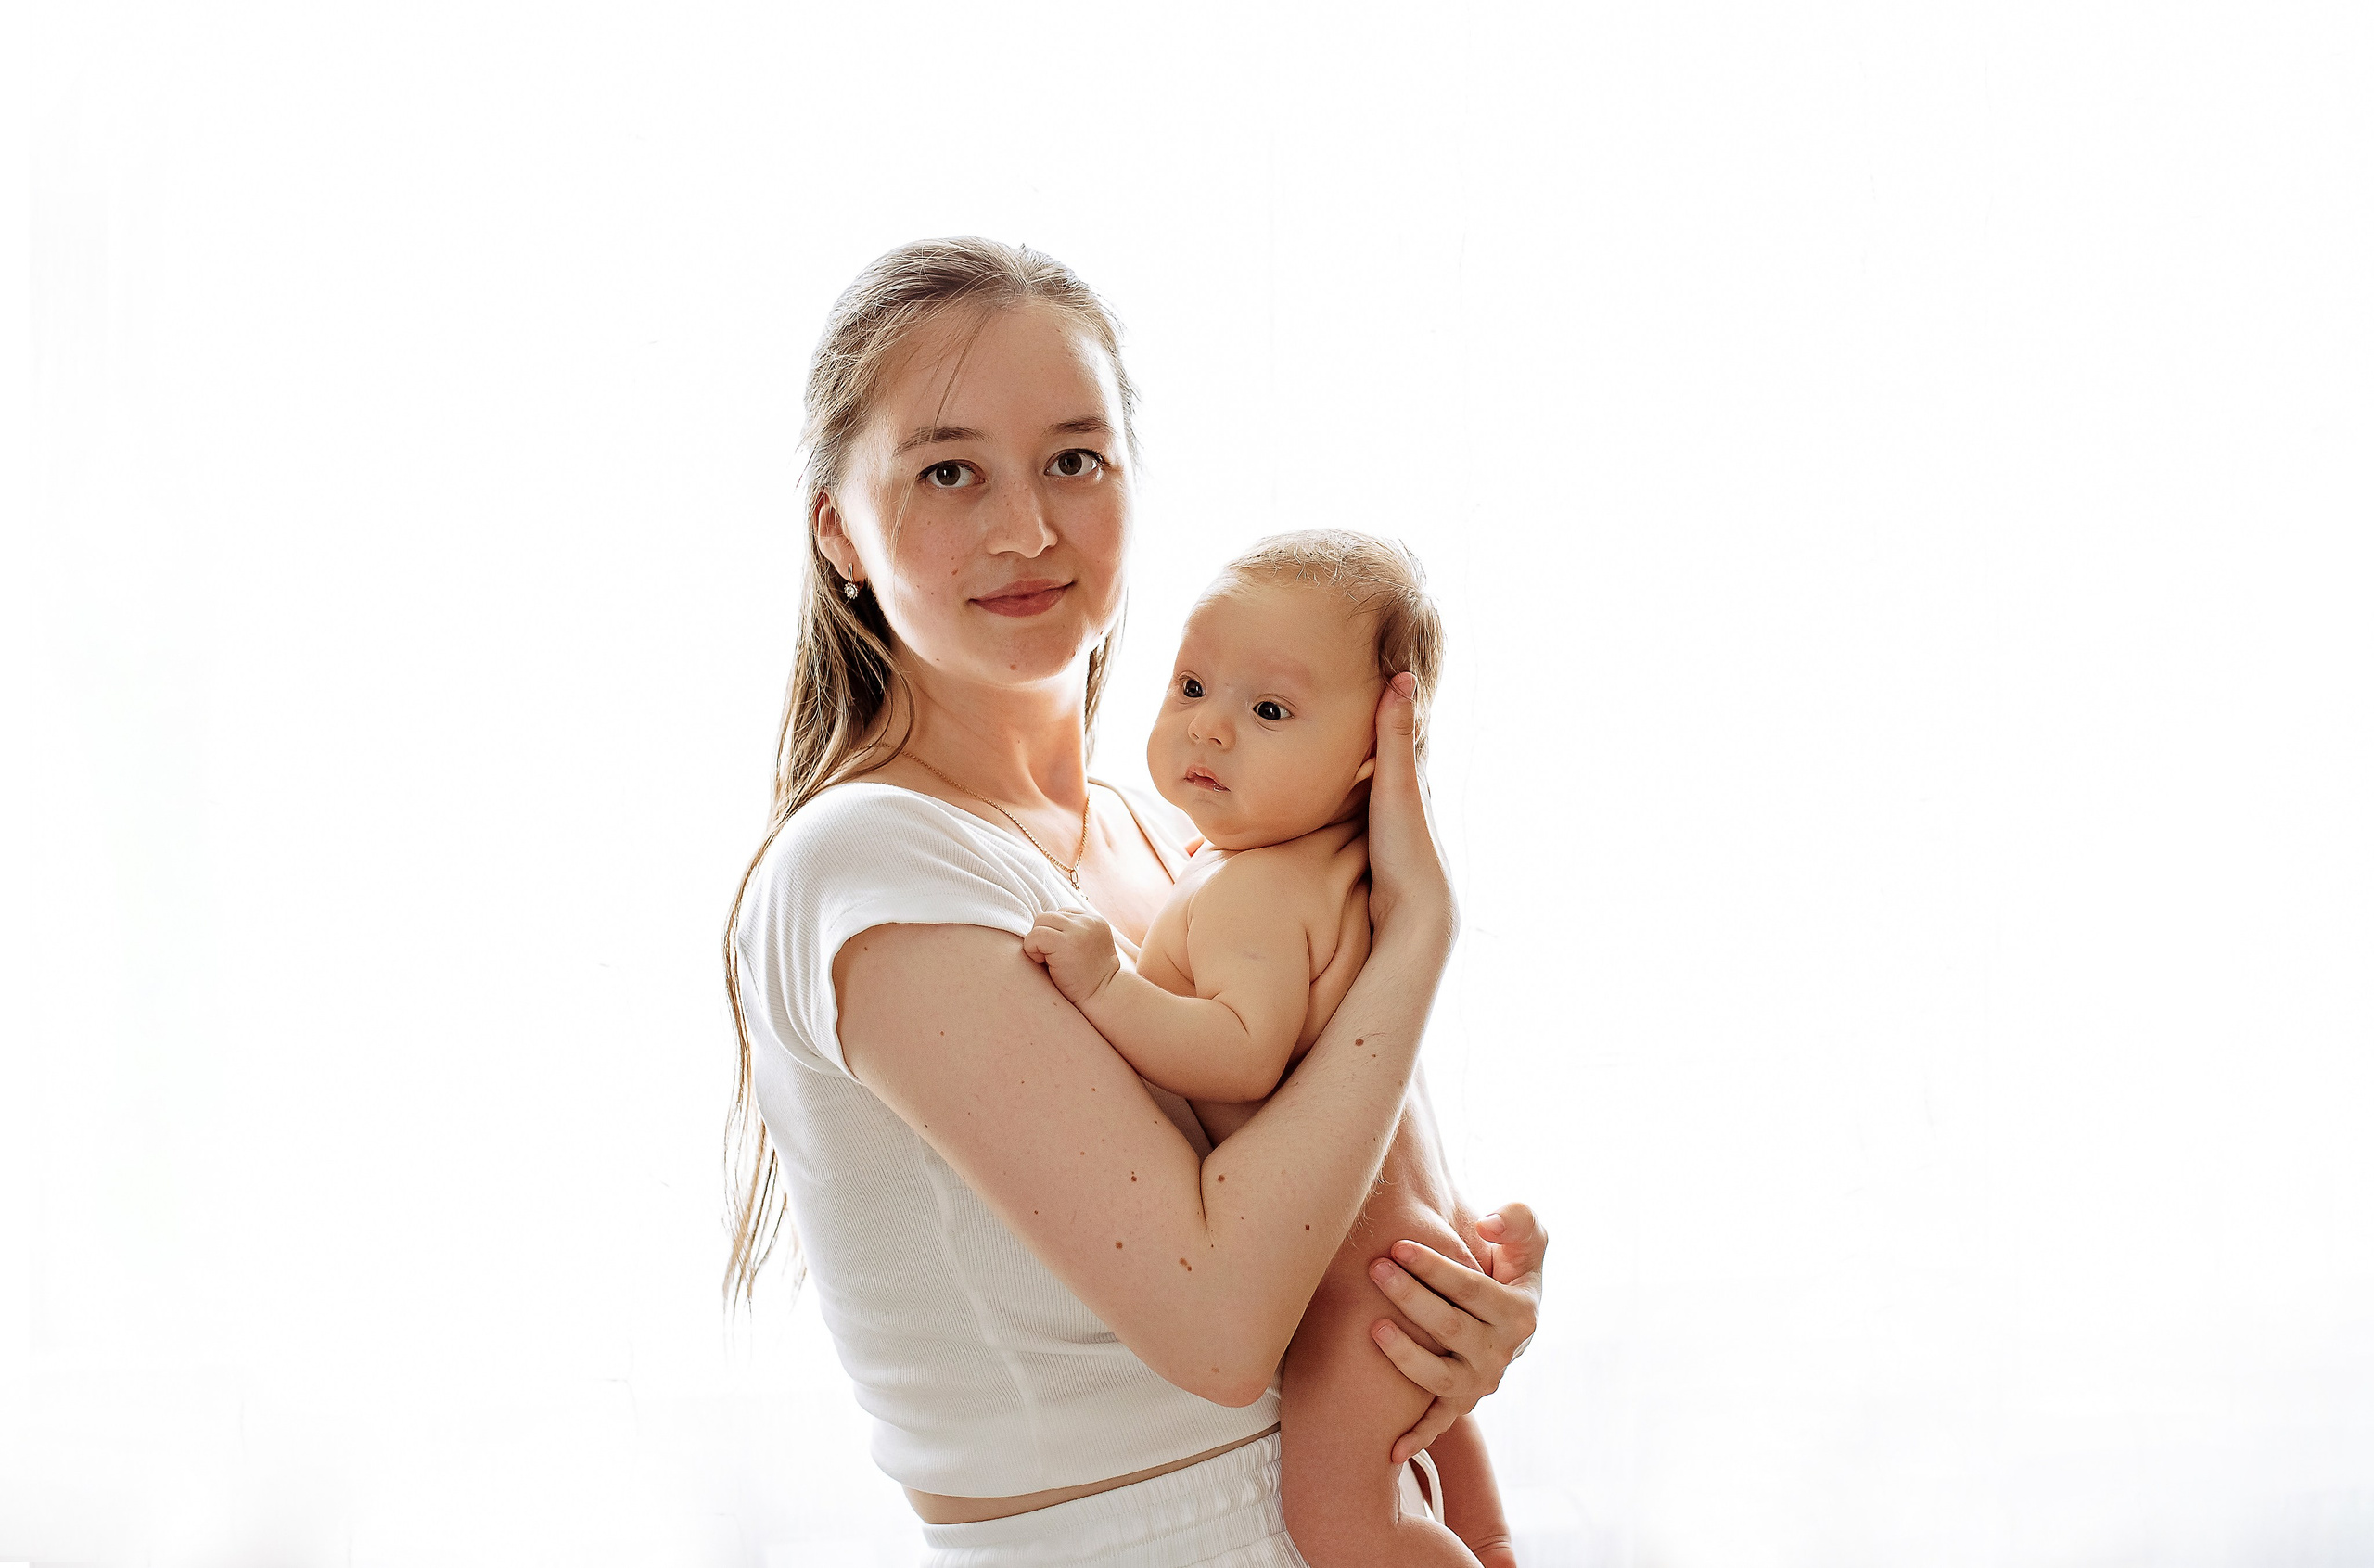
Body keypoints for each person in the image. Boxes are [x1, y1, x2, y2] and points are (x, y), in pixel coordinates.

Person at [724, 237, 1547, 1568]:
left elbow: (1358, 1211)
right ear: (838, 529)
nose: (1028, 528)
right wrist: (1418, 935)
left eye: (1075, 458)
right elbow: (1219, 1328)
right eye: (948, 470)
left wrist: (1463, 1306)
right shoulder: (871, 862)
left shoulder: (1187, 838)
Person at [1023, 529, 1519, 1566]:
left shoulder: (1252, 887)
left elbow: (1242, 1052)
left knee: (1345, 1528)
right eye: (1194, 682)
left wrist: (1108, 981)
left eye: (1269, 710)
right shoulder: (1325, 872)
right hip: (1409, 1274)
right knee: (1464, 1513)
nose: (1209, 726)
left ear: (1376, 754)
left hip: (1353, 1307)